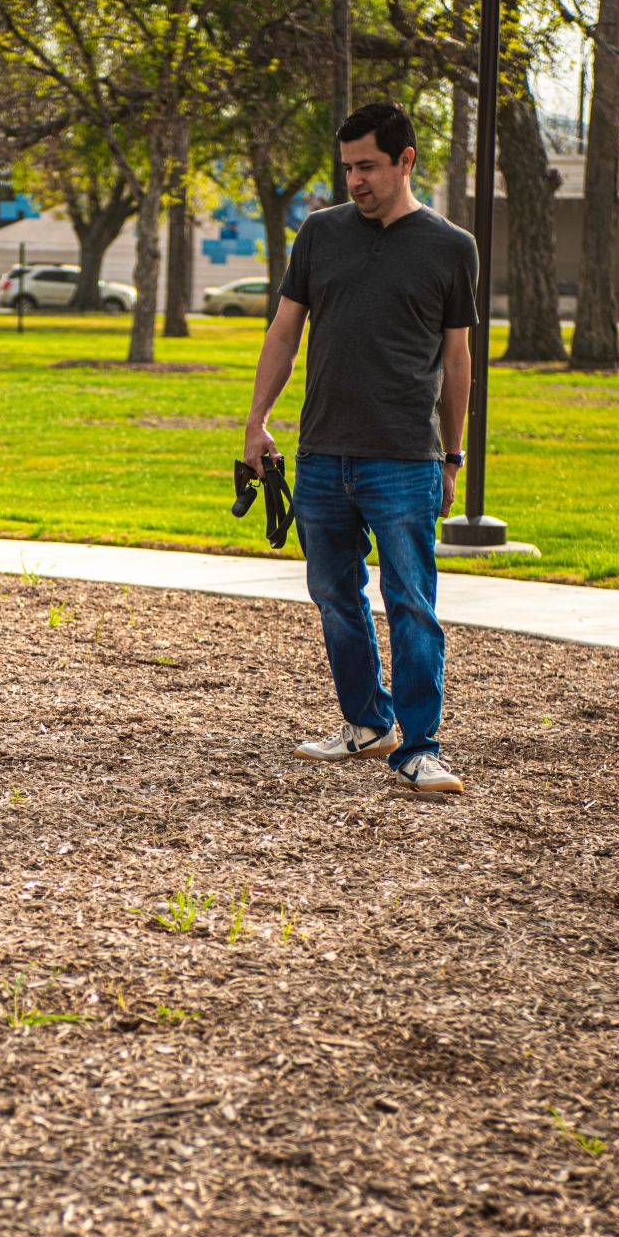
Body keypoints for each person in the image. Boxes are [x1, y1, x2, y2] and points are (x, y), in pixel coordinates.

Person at [242, 101, 477, 794]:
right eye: (347, 167)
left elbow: (457, 360)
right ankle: (366, 724)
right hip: (321, 455)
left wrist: (453, 456)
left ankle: (421, 746)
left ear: (406, 160)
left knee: (411, 602)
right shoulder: (319, 234)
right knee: (334, 594)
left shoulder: (449, 246)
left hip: (404, 457)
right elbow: (284, 333)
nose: (355, 181)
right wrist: (257, 421)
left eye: (368, 166)